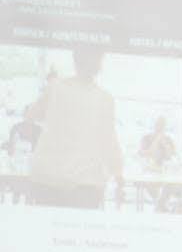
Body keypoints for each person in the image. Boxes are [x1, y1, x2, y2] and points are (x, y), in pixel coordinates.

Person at [26, 49, 122, 209]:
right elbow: (109, 141)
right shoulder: (104, 99)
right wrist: (118, 175)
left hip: (48, 177)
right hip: (85, 182)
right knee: (79, 232)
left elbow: (31, 115)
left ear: (75, 61)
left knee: (48, 230)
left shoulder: (55, 87)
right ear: (99, 65)